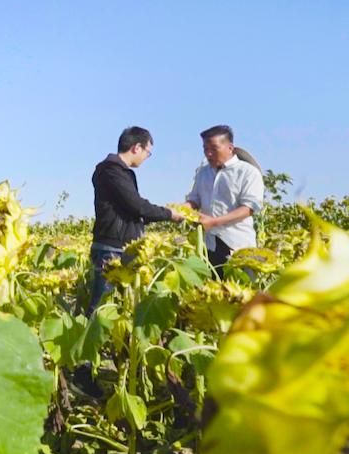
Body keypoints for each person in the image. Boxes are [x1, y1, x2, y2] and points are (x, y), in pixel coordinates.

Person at [87, 126, 183, 314]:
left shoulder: (119, 171)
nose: (147, 157)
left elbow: (130, 210)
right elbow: (136, 205)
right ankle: (88, 341)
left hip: (120, 245)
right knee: (101, 309)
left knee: (120, 308)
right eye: (148, 152)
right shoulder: (111, 170)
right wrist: (169, 214)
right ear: (137, 147)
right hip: (111, 249)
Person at [184, 125, 265, 276]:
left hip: (238, 245)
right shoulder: (203, 173)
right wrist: (183, 210)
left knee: (241, 292)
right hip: (209, 246)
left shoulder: (247, 172)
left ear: (230, 147)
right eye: (205, 149)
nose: (208, 154)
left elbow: (248, 208)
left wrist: (214, 221)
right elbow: (194, 199)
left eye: (214, 149)